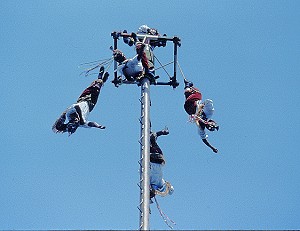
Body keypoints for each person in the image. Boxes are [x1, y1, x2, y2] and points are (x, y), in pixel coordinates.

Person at [52, 66, 109, 135]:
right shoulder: (81, 123)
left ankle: (100, 77)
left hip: (83, 99)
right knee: (97, 90)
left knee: (94, 87)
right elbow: (90, 124)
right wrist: (98, 126)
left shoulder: (69, 114)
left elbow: (77, 107)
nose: (77, 120)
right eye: (77, 123)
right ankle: (102, 80)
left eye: (75, 120)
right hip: (91, 105)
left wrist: (81, 118)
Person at [184, 80, 219, 153]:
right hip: (193, 103)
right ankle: (188, 85)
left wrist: (212, 148)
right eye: (211, 125)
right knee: (196, 94)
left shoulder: (201, 127)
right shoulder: (209, 113)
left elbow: (204, 139)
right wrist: (201, 107)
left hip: (189, 109)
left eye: (209, 128)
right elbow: (208, 102)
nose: (209, 126)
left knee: (196, 95)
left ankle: (188, 86)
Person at [149, 128, 174, 199]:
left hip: (154, 159)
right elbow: (169, 188)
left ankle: (157, 133)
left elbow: (168, 188)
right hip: (157, 158)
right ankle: (159, 133)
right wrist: (170, 189)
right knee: (151, 139)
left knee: (151, 139)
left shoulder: (148, 181)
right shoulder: (159, 183)